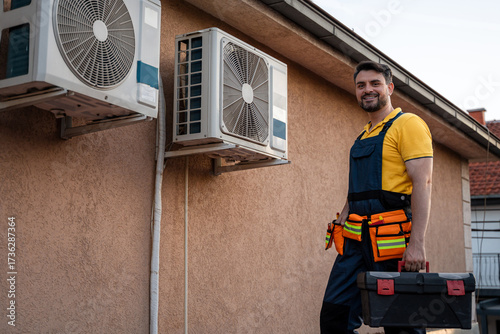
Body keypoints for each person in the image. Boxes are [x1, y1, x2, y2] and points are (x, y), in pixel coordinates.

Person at [320, 61, 433, 334]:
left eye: (375, 84)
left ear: (389, 88)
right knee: (334, 319)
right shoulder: (363, 134)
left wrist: (416, 243)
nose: (367, 90)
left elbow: (423, 182)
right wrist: (345, 212)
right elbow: (360, 188)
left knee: (400, 324)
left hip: (390, 239)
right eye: (361, 85)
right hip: (355, 240)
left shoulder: (408, 124)